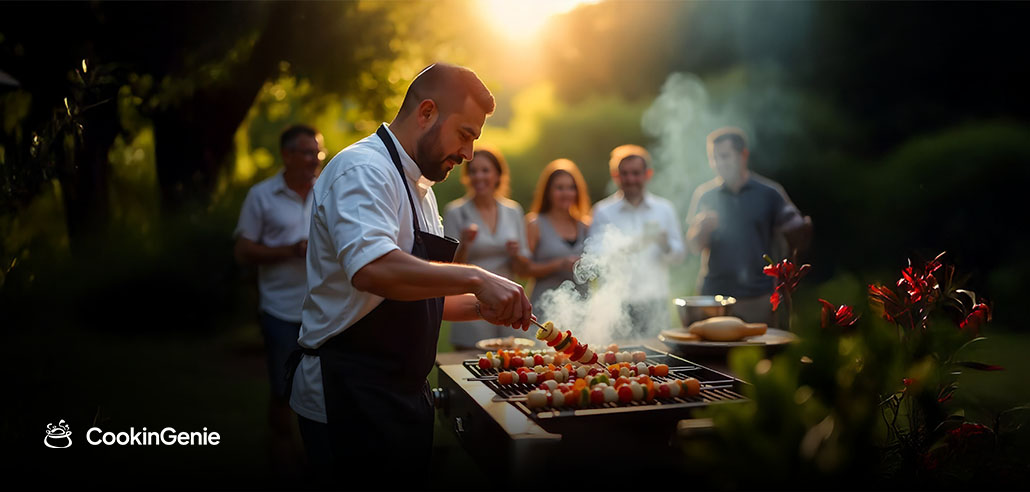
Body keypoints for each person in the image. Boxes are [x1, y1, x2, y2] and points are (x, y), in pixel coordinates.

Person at [285, 63, 532, 484]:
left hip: (399, 394)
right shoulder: (363, 170)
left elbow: (416, 288)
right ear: (427, 112)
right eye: (466, 135)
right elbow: (373, 270)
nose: (470, 154)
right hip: (348, 394)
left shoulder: (422, 190)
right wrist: (477, 277)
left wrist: (481, 306)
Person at [233, 123, 325, 475]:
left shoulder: (326, 191)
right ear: (286, 155)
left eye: (318, 152)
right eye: (306, 152)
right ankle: (282, 447)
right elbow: (242, 250)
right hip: (280, 310)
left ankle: (314, 447)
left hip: (322, 311)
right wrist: (290, 250)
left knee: (321, 384)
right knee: (282, 384)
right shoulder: (261, 195)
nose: (314, 159)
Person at [685, 127, 813, 326]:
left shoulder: (770, 193)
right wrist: (701, 230)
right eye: (714, 157)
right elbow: (693, 247)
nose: (718, 163)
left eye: (725, 156)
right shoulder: (705, 195)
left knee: (761, 354)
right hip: (714, 297)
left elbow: (797, 233)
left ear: (743, 155)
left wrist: (800, 229)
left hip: (759, 297)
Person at [589, 145, 685, 336]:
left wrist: (665, 245)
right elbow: (595, 256)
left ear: (647, 174)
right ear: (616, 176)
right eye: (624, 174)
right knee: (619, 362)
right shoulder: (603, 211)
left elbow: (679, 256)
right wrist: (634, 245)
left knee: (658, 360)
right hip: (617, 304)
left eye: (636, 173)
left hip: (655, 301)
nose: (630, 179)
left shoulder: (664, 209)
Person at [443, 146, 532, 350]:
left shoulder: (513, 211)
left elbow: (523, 268)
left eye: (485, 170)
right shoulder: (456, 212)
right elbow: (448, 269)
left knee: (511, 367)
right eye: (473, 171)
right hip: (472, 304)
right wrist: (464, 244)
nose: (479, 176)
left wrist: (516, 254)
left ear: (498, 175)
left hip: (509, 302)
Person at [513, 159, 592, 320]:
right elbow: (523, 271)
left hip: (581, 312)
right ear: (548, 192)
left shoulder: (585, 226)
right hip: (544, 310)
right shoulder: (535, 224)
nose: (566, 193)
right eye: (559, 188)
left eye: (571, 188)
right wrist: (559, 264)